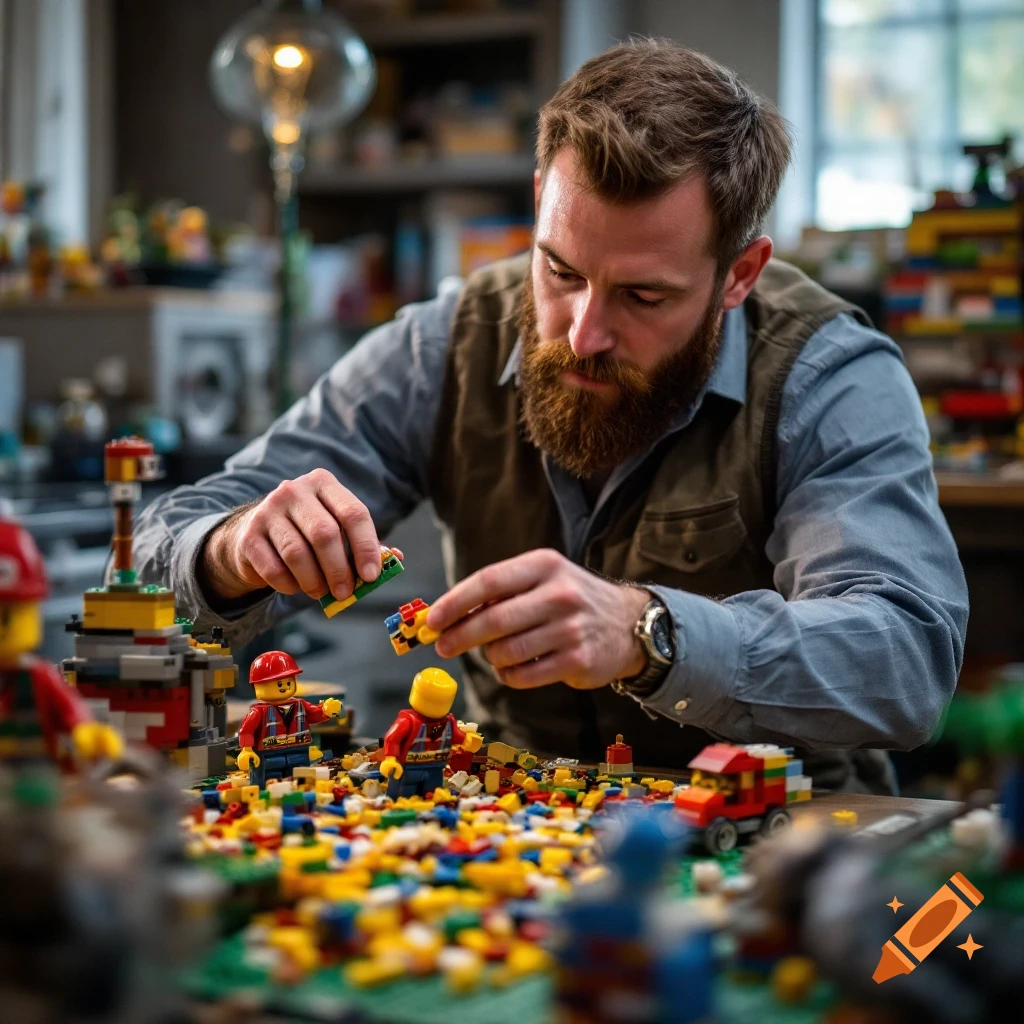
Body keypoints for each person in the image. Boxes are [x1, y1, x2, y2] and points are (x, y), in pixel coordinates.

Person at [135, 40, 967, 791]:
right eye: (561, 271)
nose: (582, 334)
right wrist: (233, 548)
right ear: (541, 202)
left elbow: (904, 661)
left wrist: (648, 633)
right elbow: (149, 556)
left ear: (739, 274)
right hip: (511, 823)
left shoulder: (829, 375)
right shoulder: (444, 344)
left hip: (785, 836)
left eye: (644, 296)